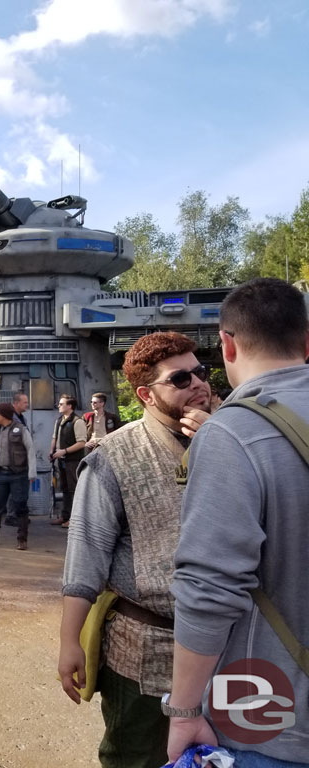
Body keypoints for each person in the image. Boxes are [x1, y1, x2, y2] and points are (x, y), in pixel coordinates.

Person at [167, 279, 309, 766]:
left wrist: (184, 710)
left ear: (227, 344)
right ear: (306, 342)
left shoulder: (233, 433)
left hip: (269, 717)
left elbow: (209, 586)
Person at [57, 332, 210, 768]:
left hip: (230, 648)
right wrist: (69, 641)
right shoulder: (112, 458)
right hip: (146, 651)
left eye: (201, 372)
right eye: (180, 378)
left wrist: (223, 442)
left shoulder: (233, 438)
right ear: (145, 394)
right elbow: (86, 552)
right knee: (136, 758)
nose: (198, 383)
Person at [0, 402, 36, 550]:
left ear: (4, 415)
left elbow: (30, 450)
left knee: (20, 506)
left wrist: (32, 472)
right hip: (0, 474)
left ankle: (22, 539)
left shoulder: (21, 430)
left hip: (19, 474)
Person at [49, 394, 87, 527]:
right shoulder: (59, 420)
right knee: (64, 488)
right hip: (61, 460)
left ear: (69, 406)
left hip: (73, 461)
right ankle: (65, 516)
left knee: (74, 489)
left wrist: (64, 451)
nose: (59, 406)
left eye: (61, 404)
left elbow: (82, 442)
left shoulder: (78, 421)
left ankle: (75, 519)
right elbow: (55, 437)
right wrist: (52, 451)